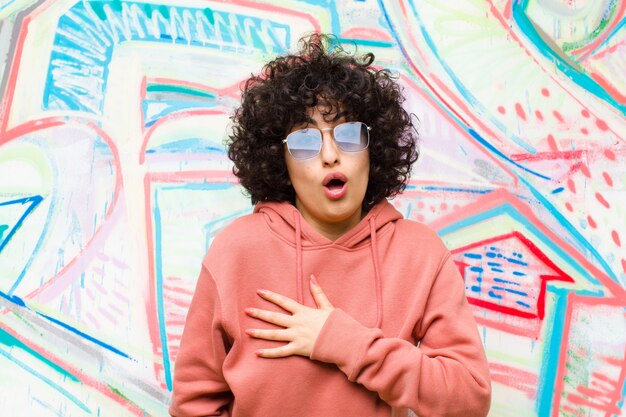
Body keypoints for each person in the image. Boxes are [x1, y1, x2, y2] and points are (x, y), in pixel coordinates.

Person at [169, 33, 491, 417]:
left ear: (375, 148)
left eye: (349, 134)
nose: (329, 155)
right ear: (280, 159)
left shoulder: (420, 253)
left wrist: (345, 342)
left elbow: (468, 400)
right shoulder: (236, 251)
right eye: (304, 141)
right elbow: (195, 405)